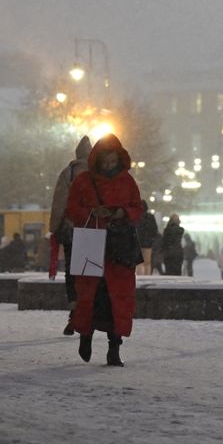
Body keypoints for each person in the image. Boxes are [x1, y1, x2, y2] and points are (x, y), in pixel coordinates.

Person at [65, 134, 142, 367]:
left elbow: (137, 209)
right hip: (92, 242)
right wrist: (92, 212)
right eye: (105, 162)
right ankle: (85, 336)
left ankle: (114, 347)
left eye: (112, 162)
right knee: (90, 296)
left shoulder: (127, 182)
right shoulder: (83, 181)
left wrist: (120, 213)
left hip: (118, 249)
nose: (109, 167)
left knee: (117, 300)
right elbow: (72, 209)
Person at [51, 135, 93, 335]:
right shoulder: (99, 172)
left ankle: (74, 311)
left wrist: (55, 227)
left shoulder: (68, 173)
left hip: (72, 228)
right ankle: (89, 313)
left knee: (72, 271)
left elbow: (59, 202)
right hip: (94, 230)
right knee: (91, 272)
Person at [135, 200, 159, 277]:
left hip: (137, 243)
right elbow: (155, 229)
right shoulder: (150, 217)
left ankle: (140, 276)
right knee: (147, 262)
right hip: (148, 244)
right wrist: (151, 239)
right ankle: (147, 275)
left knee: (139, 262)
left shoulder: (136, 216)